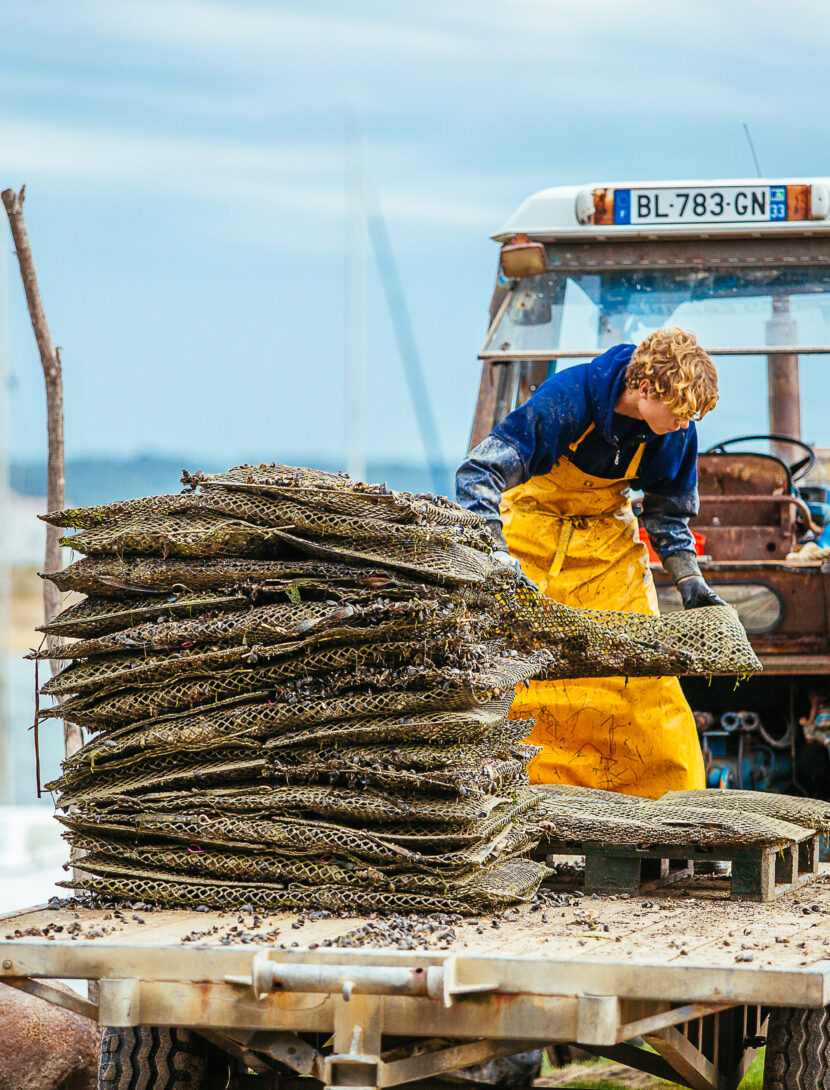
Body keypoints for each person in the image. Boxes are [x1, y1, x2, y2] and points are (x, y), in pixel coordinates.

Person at [456, 327, 723, 798]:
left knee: (647, 685)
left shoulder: (676, 435)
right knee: (521, 682)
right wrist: (498, 564)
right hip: (530, 545)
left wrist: (691, 582)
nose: (685, 425)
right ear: (645, 389)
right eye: (680, 414)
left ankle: (671, 808)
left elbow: (667, 515)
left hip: (607, 547)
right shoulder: (566, 399)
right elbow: (478, 474)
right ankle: (521, 803)